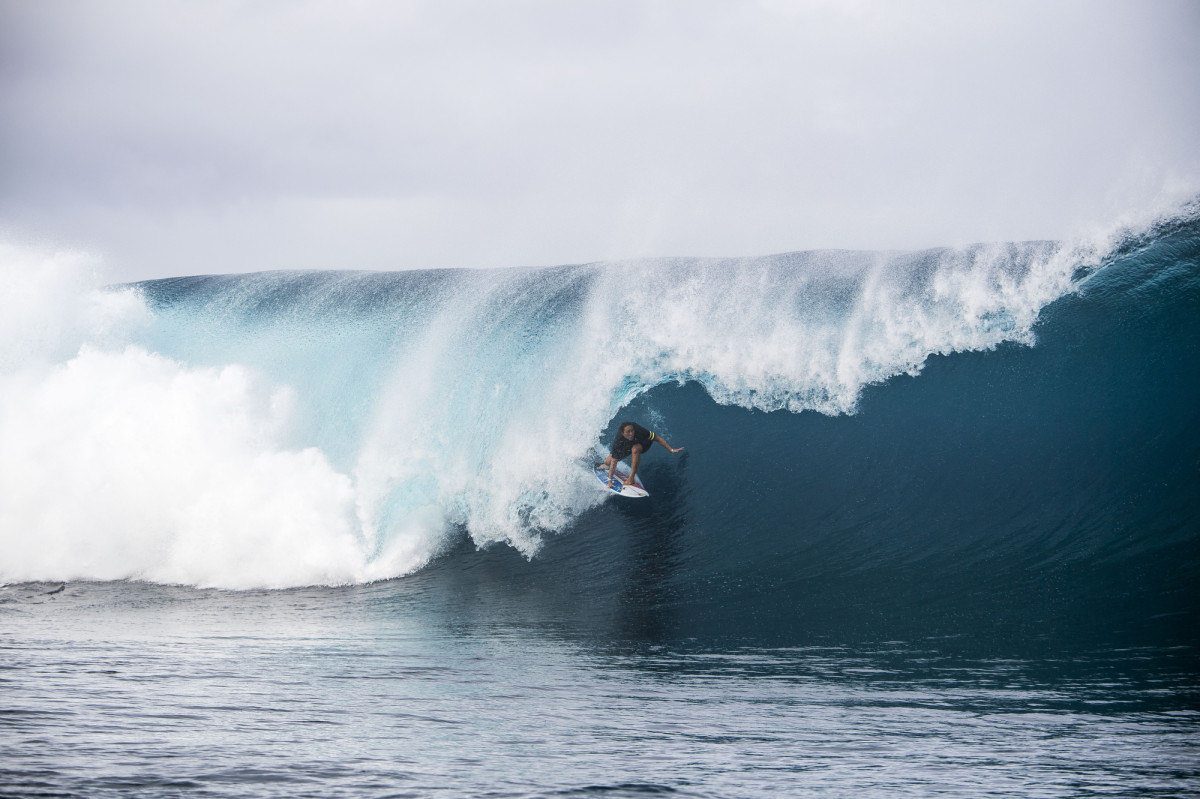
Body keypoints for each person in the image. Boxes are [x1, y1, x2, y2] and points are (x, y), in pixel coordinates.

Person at [601, 421, 684, 488]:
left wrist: (671, 449)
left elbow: (657, 438)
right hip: (627, 446)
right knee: (608, 462)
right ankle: (606, 466)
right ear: (622, 433)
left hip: (643, 443)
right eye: (628, 432)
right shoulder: (618, 442)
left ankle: (631, 478)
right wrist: (610, 481)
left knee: (635, 449)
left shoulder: (639, 430)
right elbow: (614, 461)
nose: (631, 433)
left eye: (632, 430)